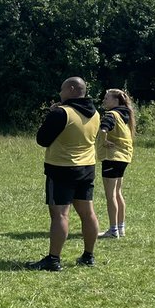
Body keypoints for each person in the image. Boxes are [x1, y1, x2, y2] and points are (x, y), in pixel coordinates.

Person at [26, 76, 100, 271]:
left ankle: (53, 259)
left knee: (59, 215)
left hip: (61, 168)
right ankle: (88, 256)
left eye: (62, 89)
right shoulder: (96, 114)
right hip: (87, 168)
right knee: (87, 212)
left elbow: (42, 139)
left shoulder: (61, 113)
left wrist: (51, 114)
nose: (60, 93)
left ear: (73, 89)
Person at [97, 88, 136, 239]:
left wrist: (105, 140)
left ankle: (113, 230)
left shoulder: (111, 114)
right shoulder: (125, 115)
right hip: (124, 158)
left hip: (112, 157)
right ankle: (121, 228)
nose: (104, 100)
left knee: (110, 195)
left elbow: (103, 129)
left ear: (116, 101)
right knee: (118, 193)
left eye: (107, 98)